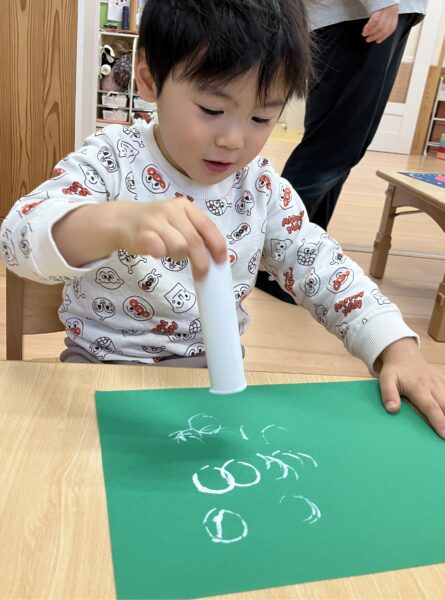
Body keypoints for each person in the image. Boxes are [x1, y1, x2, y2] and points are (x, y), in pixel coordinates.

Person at [1, 0, 444, 437]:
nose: (233, 139)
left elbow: (324, 268)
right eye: (212, 110)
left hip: (211, 379)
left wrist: (395, 346)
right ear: (150, 78)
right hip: (99, 372)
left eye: (261, 117)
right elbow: (16, 238)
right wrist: (112, 223)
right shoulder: (112, 160)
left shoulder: (260, 188)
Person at [256, 0, 427, 302]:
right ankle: (269, 264)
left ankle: (301, 257)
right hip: (357, 14)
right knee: (328, 151)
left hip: (374, 13)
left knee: (342, 152)